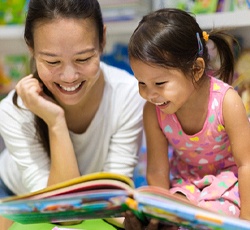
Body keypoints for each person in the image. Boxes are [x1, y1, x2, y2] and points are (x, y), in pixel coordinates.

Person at [0, 0, 145, 228]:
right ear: (31, 48)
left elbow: (111, 197)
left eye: (83, 59)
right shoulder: (13, 111)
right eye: (52, 61)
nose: (69, 77)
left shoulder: (127, 95)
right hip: (13, 195)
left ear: (102, 40)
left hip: (92, 201)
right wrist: (55, 122)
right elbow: (64, 213)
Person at [124, 7, 250, 230]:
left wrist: (246, 220)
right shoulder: (153, 110)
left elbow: (247, 164)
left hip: (229, 182)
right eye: (141, 83)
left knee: (214, 219)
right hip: (186, 184)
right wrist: (159, 214)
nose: (150, 94)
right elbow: (157, 171)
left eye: (160, 84)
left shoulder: (226, 102)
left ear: (197, 69)